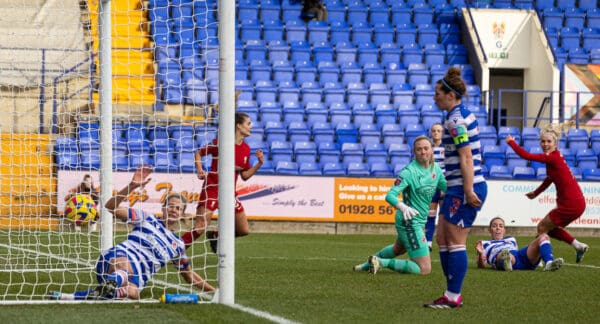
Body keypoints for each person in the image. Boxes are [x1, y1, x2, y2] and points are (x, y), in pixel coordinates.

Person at [49, 166, 215, 300]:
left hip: (133, 279)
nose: (174, 210)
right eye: (171, 205)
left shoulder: (178, 246)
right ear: (163, 207)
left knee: (133, 293)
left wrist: (214, 291)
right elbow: (110, 207)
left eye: (178, 208)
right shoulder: (146, 219)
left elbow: (189, 275)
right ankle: (112, 282)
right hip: (115, 261)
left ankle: (83, 294)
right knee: (124, 266)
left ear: (182, 214)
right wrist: (132, 186)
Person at [424, 67, 487, 309]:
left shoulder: (456, 120)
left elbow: (467, 157)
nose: (434, 97)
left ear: (450, 95)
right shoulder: (457, 116)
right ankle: (450, 293)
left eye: (437, 93)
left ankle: (453, 296)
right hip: (456, 187)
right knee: (441, 238)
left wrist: (468, 190)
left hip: (463, 188)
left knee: (454, 241)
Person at [354, 135, 446, 275]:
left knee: (399, 249)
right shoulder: (408, 172)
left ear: (432, 150)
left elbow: (448, 188)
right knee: (423, 269)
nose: (423, 152)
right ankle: (380, 262)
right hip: (409, 221)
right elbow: (390, 196)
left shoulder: (436, 170)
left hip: (419, 221)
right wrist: (403, 207)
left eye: (426, 148)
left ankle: (365, 265)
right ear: (414, 152)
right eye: (419, 149)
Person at [181, 112, 264, 253]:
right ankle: (174, 251)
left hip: (229, 194)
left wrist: (259, 164)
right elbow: (199, 153)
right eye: (248, 123)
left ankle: (215, 235)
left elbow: (244, 175)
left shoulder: (246, 149)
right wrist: (200, 169)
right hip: (212, 189)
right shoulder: (221, 142)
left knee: (243, 230)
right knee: (200, 226)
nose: (251, 126)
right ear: (239, 126)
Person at [505, 124, 589, 263]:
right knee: (549, 229)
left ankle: (541, 260)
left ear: (555, 144)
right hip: (575, 202)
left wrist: (511, 142)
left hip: (571, 202)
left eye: (549, 141)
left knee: (542, 227)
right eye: (543, 141)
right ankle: (577, 246)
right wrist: (536, 193)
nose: (545, 144)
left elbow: (526, 155)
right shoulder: (554, 158)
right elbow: (549, 179)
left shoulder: (552, 158)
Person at [475, 217, 563, 271]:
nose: (498, 228)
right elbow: (482, 266)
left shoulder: (511, 239)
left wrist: (537, 253)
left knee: (543, 236)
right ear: (489, 230)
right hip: (504, 256)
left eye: (501, 226)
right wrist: (480, 253)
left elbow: (517, 251)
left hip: (519, 256)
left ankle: (549, 263)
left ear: (504, 230)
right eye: (494, 226)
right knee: (505, 254)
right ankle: (506, 262)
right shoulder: (484, 243)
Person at [425, 123, 445, 251]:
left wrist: (445, 186)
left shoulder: (447, 148)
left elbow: (449, 168)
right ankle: (428, 242)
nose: (436, 133)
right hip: (431, 186)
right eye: (434, 130)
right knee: (430, 215)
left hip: (443, 186)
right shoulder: (428, 148)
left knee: (444, 217)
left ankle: (445, 242)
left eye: (438, 130)